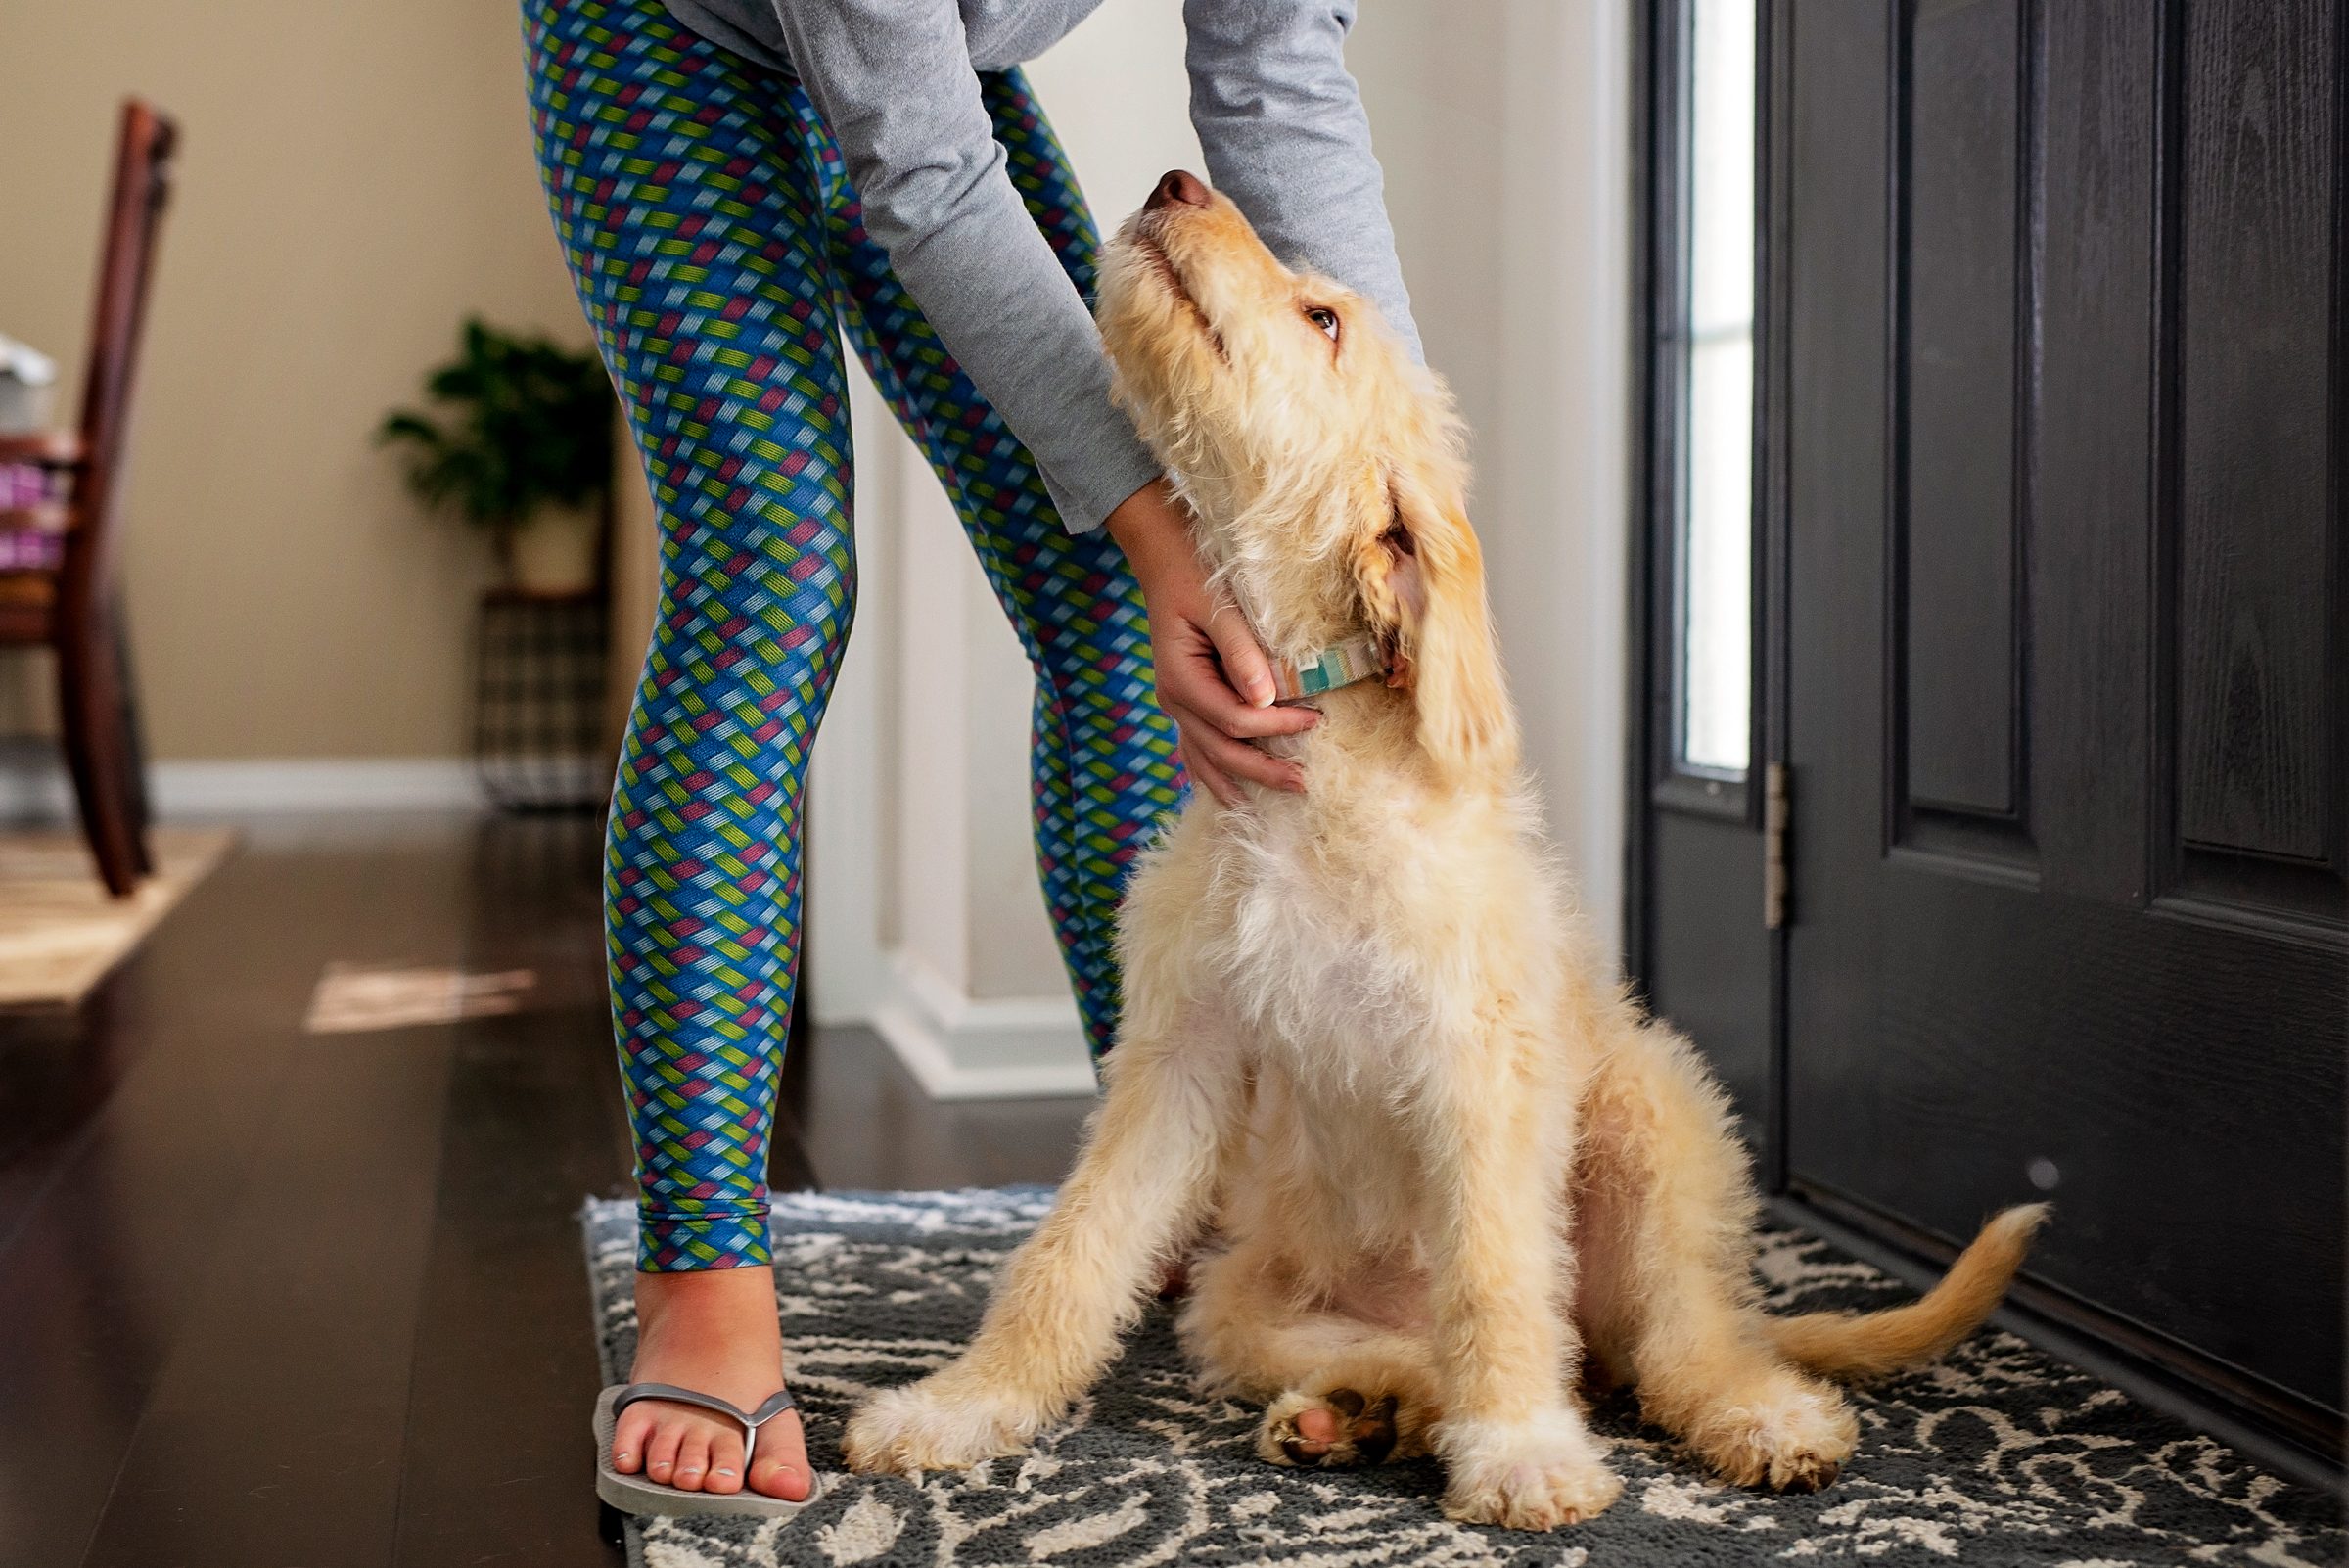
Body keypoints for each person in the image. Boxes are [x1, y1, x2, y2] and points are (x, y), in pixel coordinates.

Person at [521, 0, 1422, 1511]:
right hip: (662, 37)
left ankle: (1177, 1203)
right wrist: (1149, 523)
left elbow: (1279, 76)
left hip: (937, 75)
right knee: (776, 569)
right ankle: (704, 1276)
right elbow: (921, 167)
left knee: (1111, 594)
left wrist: (1394, 484)